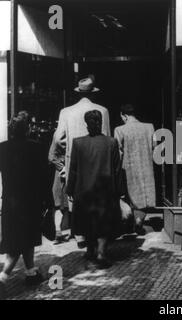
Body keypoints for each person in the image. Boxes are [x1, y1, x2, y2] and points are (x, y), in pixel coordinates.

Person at [53, 75, 111, 247]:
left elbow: (57, 139)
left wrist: (68, 146)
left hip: (74, 158)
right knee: (97, 195)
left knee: (76, 197)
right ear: (94, 93)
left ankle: (80, 235)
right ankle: (95, 234)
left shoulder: (66, 112)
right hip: (97, 159)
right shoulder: (103, 111)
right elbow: (106, 138)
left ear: (78, 93)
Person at [0, 111, 49, 299]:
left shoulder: (2, 148)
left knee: (19, 236)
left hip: (10, 200)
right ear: (27, 129)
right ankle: (3, 277)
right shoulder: (36, 148)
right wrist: (48, 201)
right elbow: (44, 177)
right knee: (22, 238)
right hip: (31, 200)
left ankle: (31, 272)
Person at [66, 110, 123, 269]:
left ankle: (91, 250)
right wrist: (119, 190)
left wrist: (70, 189)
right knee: (103, 223)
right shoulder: (111, 142)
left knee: (87, 221)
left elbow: (74, 169)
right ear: (101, 122)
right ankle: (101, 253)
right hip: (105, 190)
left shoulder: (78, 143)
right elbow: (117, 169)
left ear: (86, 124)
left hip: (84, 190)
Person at [114, 104, 156, 234]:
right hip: (146, 165)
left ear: (124, 115)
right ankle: (139, 220)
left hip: (128, 168)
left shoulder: (119, 130)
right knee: (145, 196)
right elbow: (155, 146)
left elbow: (118, 152)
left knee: (130, 195)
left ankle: (132, 222)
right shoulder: (149, 127)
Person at [48, 131, 69, 244]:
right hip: (61, 174)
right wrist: (62, 166)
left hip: (64, 171)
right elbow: (51, 156)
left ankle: (62, 231)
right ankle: (58, 232)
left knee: (64, 204)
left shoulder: (58, 134)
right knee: (60, 204)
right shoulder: (58, 135)